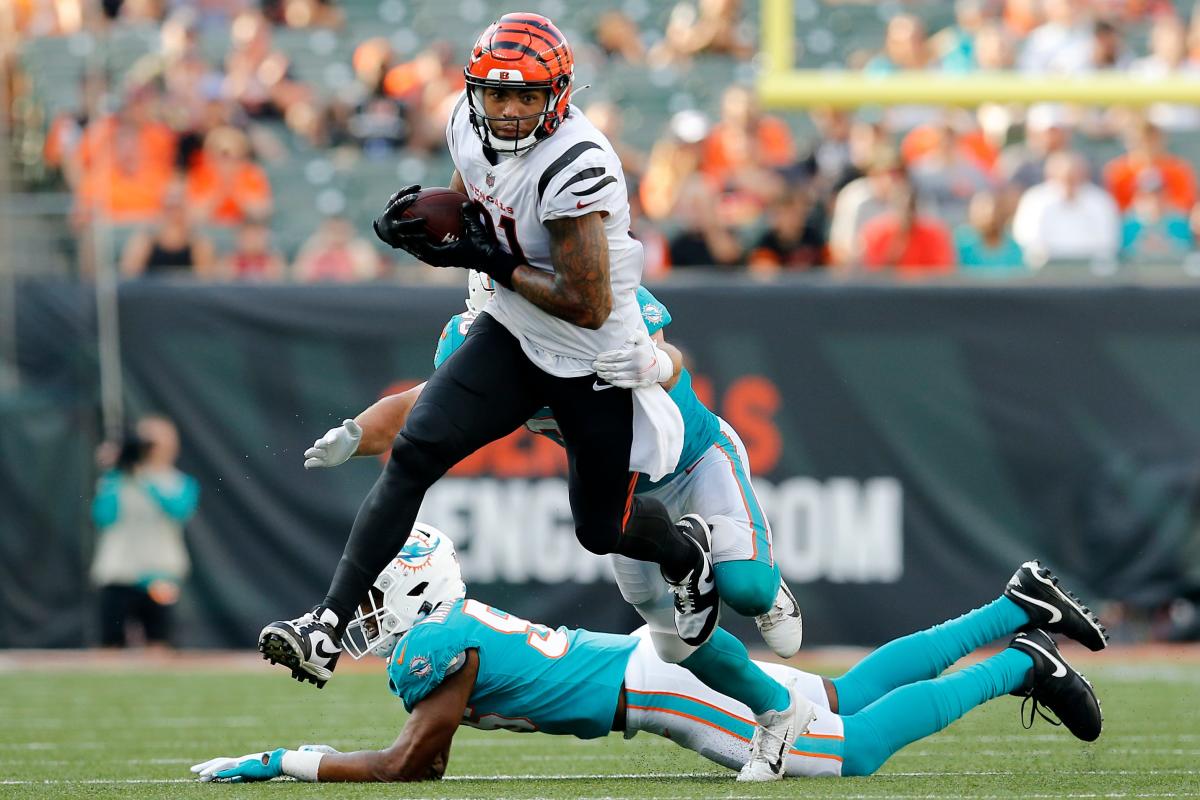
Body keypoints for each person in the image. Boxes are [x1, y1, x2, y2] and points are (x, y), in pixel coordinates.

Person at [260, 14, 751, 764]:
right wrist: (439, 234)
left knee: (600, 526)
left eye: (526, 99)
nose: (510, 111)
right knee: (417, 451)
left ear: (558, 97)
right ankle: (325, 624)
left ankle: (685, 556)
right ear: (474, 92)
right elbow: (472, 205)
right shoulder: (466, 120)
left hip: (590, 353)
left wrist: (486, 257)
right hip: (515, 330)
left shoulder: (577, 162)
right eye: (497, 96)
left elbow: (585, 302)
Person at [303, 272, 805, 781]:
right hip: (625, 494)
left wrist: (655, 363)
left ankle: (741, 567)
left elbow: (670, 358)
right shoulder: (483, 341)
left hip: (694, 458)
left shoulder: (588, 296)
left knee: (746, 589)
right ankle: (776, 712)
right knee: (676, 644)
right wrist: (356, 433)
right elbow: (422, 402)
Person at [193, 528, 1107, 784]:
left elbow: (409, 769)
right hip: (648, 669)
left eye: (366, 597)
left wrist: (286, 762)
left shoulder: (432, 645)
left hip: (654, 692)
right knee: (837, 693)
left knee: (851, 751)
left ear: (407, 595)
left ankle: (1021, 662)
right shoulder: (449, 631)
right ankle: (1010, 605)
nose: (358, 615)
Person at [91, 416, 199, 649]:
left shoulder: (179, 482)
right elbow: (103, 516)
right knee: (110, 642)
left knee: (158, 640)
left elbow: (178, 510)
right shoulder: (116, 480)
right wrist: (114, 472)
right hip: (118, 571)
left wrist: (144, 477)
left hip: (160, 572)